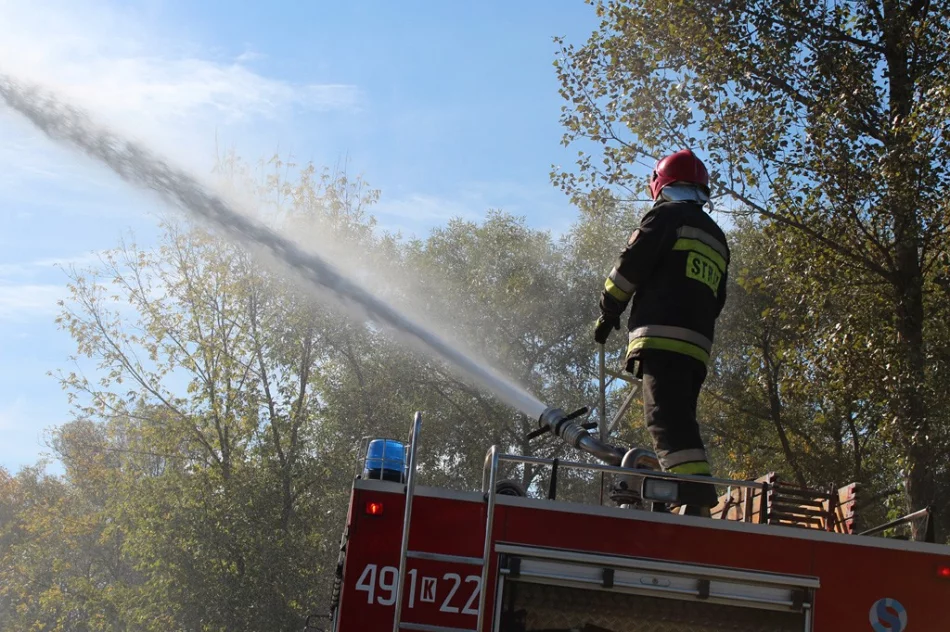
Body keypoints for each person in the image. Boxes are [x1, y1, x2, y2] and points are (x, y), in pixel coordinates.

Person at [594, 149, 729, 516]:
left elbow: (629, 268)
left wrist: (608, 311)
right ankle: (693, 494)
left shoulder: (664, 217)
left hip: (660, 338)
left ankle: (695, 497)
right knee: (681, 420)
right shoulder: (717, 237)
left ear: (660, 184)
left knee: (664, 421)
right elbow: (718, 299)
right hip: (696, 348)